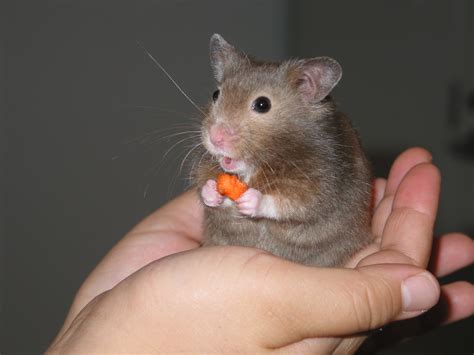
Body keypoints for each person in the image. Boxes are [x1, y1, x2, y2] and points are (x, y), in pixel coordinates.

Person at [47, 148, 473, 353]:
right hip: (229, 249)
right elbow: (209, 179)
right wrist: (212, 191)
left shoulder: (318, 158)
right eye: (218, 99)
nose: (218, 129)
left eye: (261, 107)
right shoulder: (224, 154)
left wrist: (268, 203)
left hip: (322, 254)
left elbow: (314, 198)